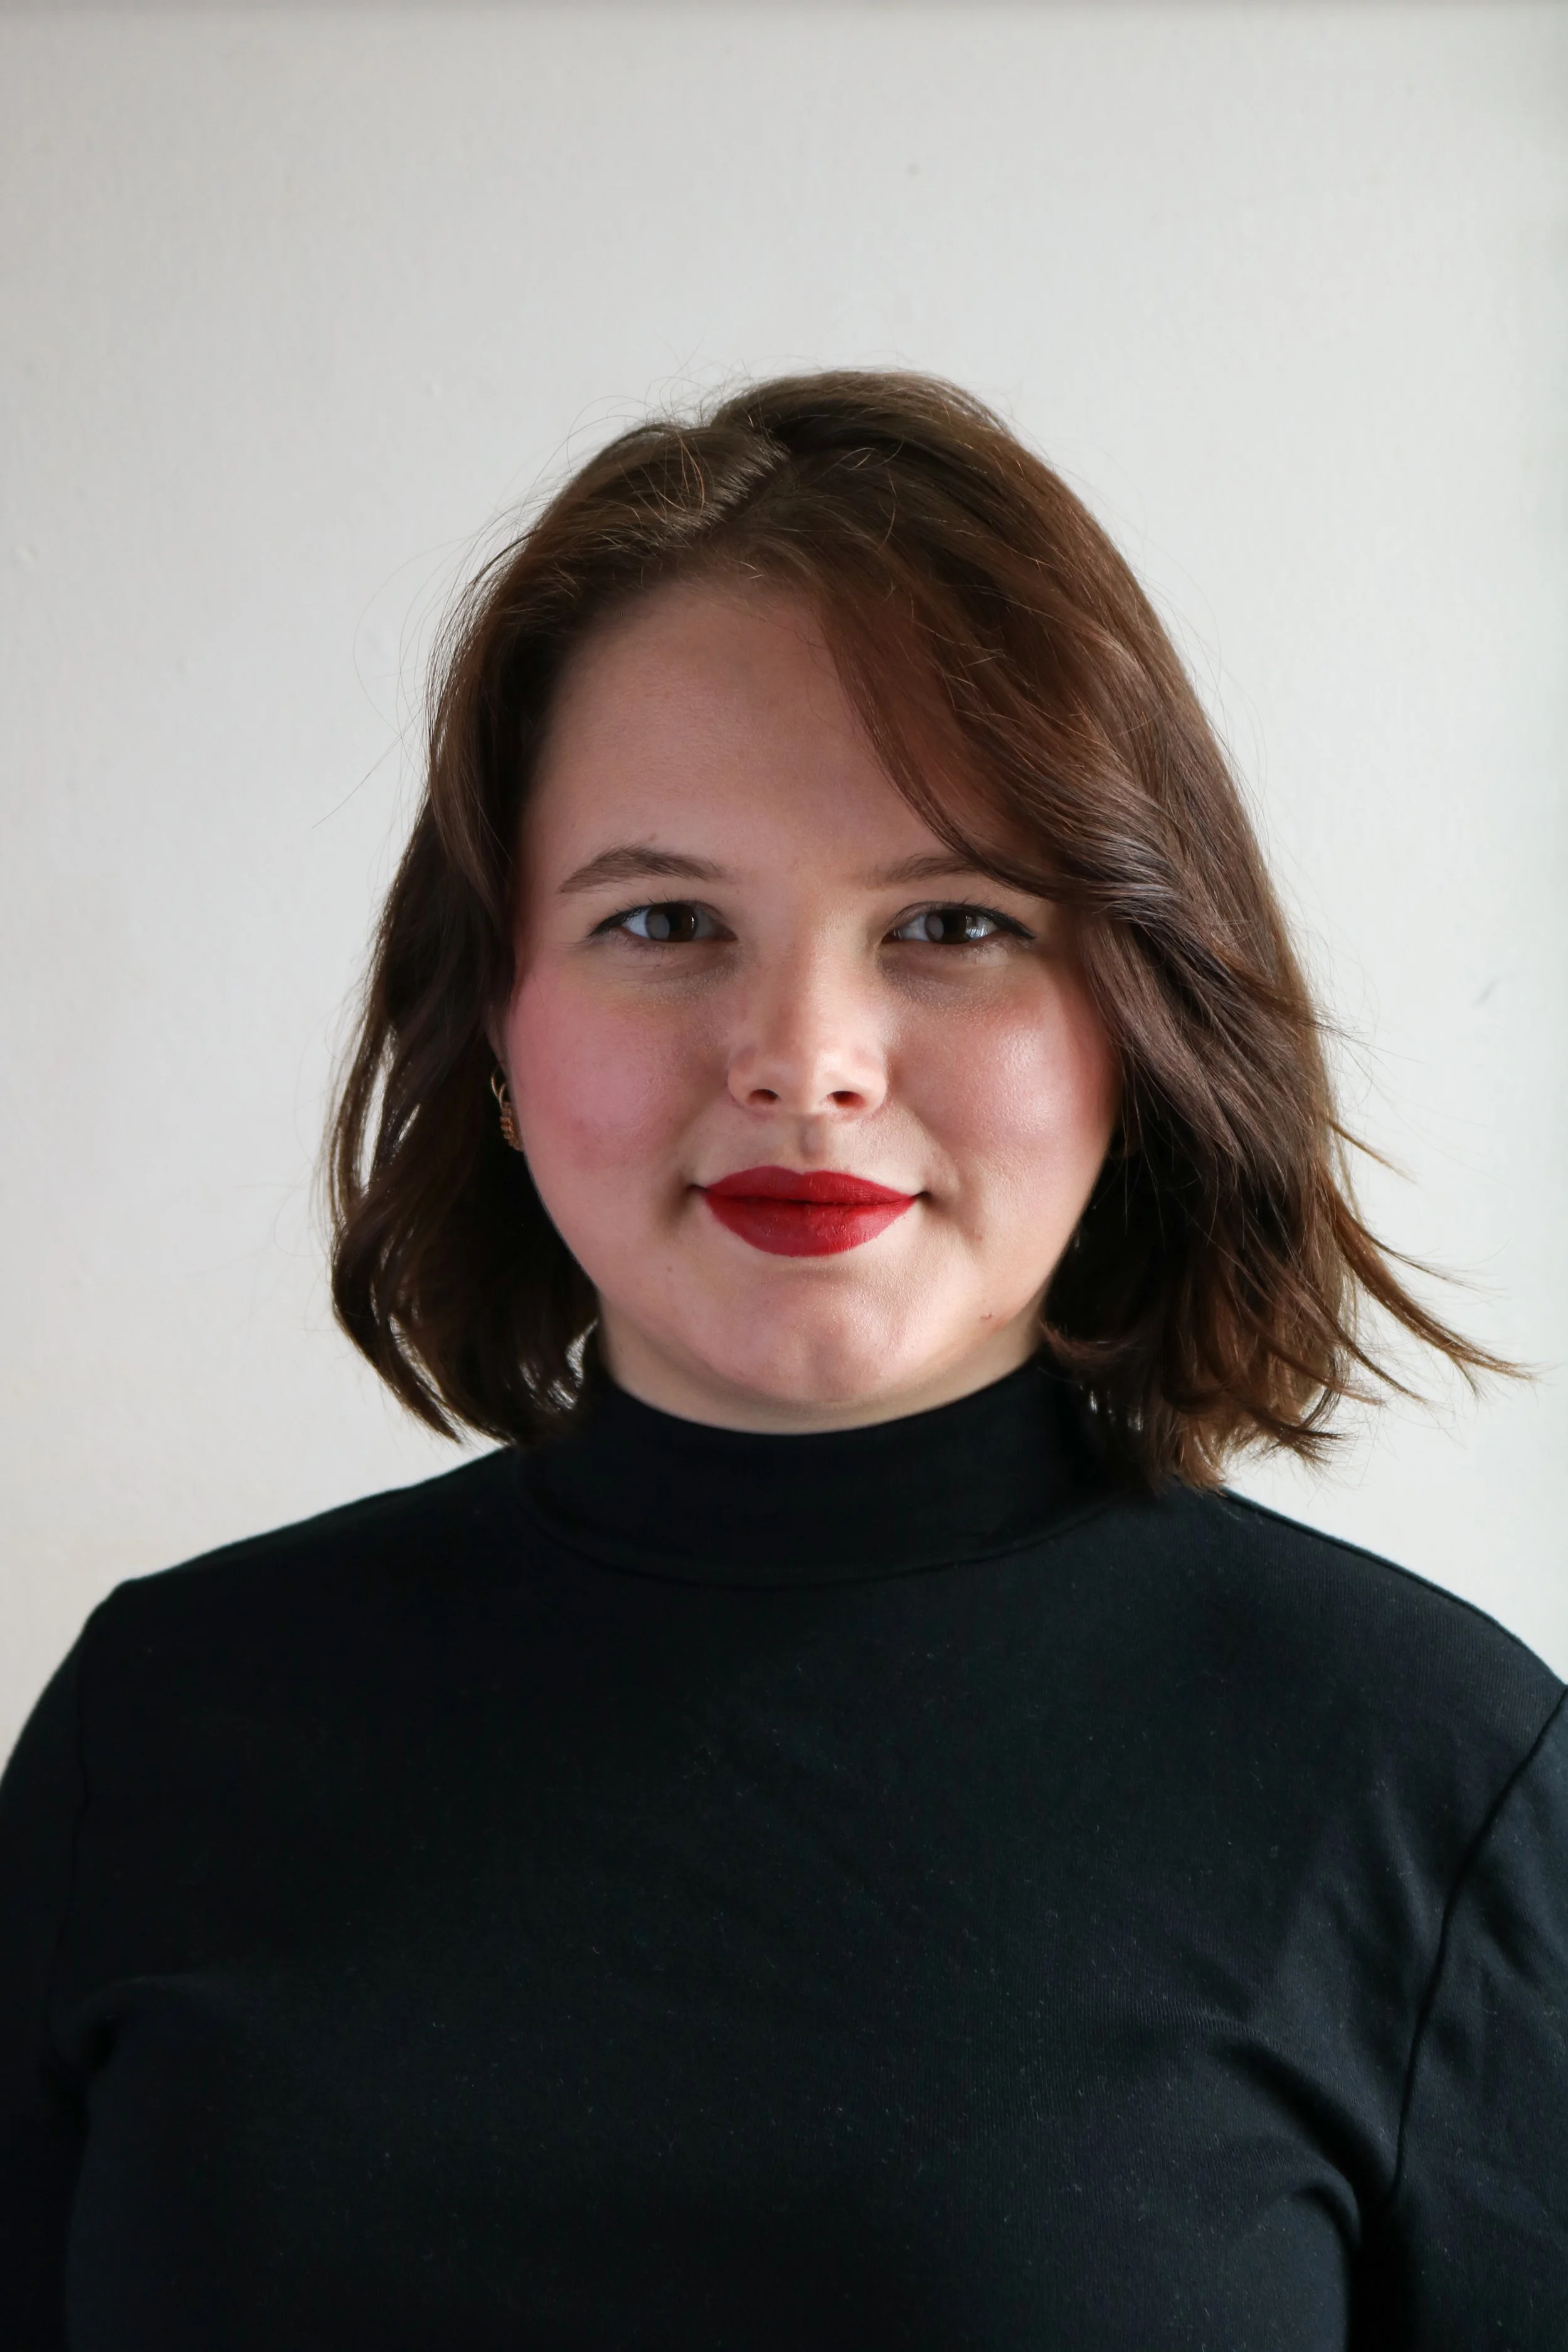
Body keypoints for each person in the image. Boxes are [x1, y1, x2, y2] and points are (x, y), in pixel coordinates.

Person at [1, 370, 1562, 2349]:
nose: (802, 1057)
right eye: (662, 917)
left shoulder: (1428, 1780)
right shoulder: (156, 1725)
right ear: (493, 1025)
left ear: (1137, 1014)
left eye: (952, 922)